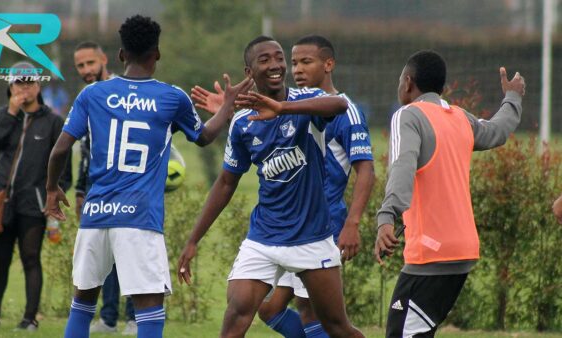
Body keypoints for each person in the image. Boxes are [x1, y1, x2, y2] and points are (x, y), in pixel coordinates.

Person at [45, 15, 253, 338]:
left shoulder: (92, 95)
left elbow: (59, 150)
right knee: (149, 308)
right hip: (140, 218)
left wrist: (51, 188)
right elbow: (204, 137)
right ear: (157, 54)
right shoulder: (172, 98)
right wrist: (227, 107)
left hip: (96, 215)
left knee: (83, 303)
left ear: (120, 56)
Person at [178, 36, 365, 338]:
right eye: (265, 60)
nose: (276, 65)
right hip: (264, 238)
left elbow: (340, 104)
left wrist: (282, 108)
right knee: (236, 317)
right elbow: (226, 183)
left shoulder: (307, 102)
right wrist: (193, 240)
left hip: (312, 236)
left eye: (279, 58)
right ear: (249, 71)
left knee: (337, 327)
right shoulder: (242, 123)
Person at [374, 50, 525, 337]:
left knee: (401, 333)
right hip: (463, 250)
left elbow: (402, 167)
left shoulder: (408, 116)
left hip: (431, 252)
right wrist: (513, 97)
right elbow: (496, 131)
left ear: (408, 82)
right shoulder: (459, 118)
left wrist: (386, 217)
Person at [0, 62, 72, 331]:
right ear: (10, 86)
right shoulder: (2, 116)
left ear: (38, 86)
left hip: (34, 204)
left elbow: (65, 169)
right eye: (19, 83)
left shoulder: (53, 122)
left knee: (31, 258)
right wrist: (12, 111)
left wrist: (51, 198)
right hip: (3, 202)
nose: (24, 88)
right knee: (0, 261)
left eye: (29, 83)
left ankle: (29, 319)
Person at [73, 40, 137, 335]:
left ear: (103, 60)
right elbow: (85, 149)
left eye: (90, 63)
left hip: (128, 189)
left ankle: (134, 318)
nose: (86, 70)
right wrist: (79, 191)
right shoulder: (86, 97)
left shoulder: (122, 92)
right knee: (103, 259)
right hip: (96, 192)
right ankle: (110, 319)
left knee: (132, 255)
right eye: (80, 66)